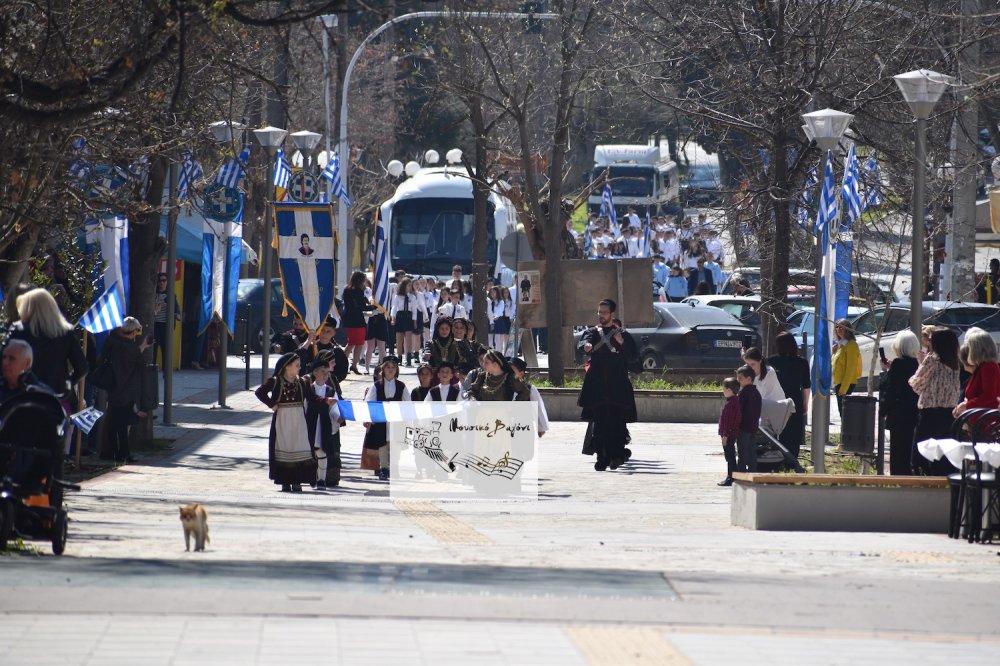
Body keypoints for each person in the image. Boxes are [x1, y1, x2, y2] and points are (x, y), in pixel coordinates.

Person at [9, 288, 88, 456]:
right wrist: (68, 384)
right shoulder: (64, 333)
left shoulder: (18, 332)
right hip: (57, 398)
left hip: (24, 397)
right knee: (53, 449)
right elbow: (82, 367)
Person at [578, 299, 638, 471]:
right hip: (597, 384)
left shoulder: (622, 334)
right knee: (600, 421)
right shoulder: (592, 332)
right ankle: (602, 456)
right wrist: (586, 346)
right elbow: (583, 343)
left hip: (617, 384)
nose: (601, 315)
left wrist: (623, 344)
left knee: (616, 421)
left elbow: (633, 358)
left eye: (604, 312)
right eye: (599, 312)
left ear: (612, 314)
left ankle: (617, 454)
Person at [254, 352, 328, 492]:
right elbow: (260, 392)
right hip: (282, 420)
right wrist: (272, 404)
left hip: (299, 420)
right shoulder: (276, 381)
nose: (299, 368)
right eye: (297, 365)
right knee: (285, 448)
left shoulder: (302, 382)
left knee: (300, 447)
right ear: (287, 366)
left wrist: (326, 401)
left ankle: (297, 481)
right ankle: (285, 482)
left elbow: (312, 398)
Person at [908, 327, 961, 476]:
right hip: (949, 413)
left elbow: (916, 385)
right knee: (944, 456)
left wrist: (920, 365)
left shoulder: (932, 359)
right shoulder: (956, 362)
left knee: (921, 454)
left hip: (929, 413)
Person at [100, 317, 150, 464]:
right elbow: (141, 363)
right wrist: (143, 347)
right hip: (127, 391)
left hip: (113, 388)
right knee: (122, 425)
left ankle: (113, 452)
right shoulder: (131, 348)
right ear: (134, 331)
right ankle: (124, 454)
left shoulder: (113, 343)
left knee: (113, 424)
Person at [878, 330, 920, 476]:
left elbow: (890, 388)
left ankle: (897, 480)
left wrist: (883, 409)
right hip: (914, 412)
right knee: (909, 450)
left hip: (899, 413)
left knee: (897, 452)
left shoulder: (898, 364)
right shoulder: (918, 364)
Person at [362, 356, 409, 481]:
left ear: (397, 370)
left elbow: (408, 404)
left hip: (396, 420)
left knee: (395, 445)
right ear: (383, 369)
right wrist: (367, 418)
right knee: (382, 444)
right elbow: (369, 402)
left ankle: (394, 467)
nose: (390, 369)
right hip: (381, 420)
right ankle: (383, 468)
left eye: (393, 367)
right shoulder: (376, 386)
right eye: (388, 367)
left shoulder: (401, 386)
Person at [767, 333, 810, 459]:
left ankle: (779, 457)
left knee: (778, 430)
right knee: (794, 432)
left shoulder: (772, 361)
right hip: (795, 400)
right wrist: (805, 404)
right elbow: (806, 386)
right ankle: (793, 459)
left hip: (777, 400)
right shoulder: (802, 362)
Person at [306, 360, 344, 489]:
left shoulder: (331, 391)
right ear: (315, 372)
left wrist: (338, 418)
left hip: (324, 425)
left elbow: (334, 410)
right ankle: (311, 477)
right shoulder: (308, 389)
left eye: (327, 373)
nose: (325, 375)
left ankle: (321, 479)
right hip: (310, 424)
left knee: (322, 452)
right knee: (310, 452)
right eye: (323, 372)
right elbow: (304, 407)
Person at [952, 327, 1000, 419]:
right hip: (979, 419)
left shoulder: (988, 366)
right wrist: (964, 405)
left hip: (986, 422)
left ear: (976, 349)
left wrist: (966, 405)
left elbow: (989, 396)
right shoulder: (982, 367)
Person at [296, 315, 348, 383]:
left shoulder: (337, 352)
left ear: (334, 333)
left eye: (328, 331)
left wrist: (327, 380)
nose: (324, 334)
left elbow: (342, 373)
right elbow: (297, 359)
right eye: (322, 330)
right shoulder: (309, 346)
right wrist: (308, 342)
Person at [341, 271, 374, 374]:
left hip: (349, 320)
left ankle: (344, 363)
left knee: (351, 343)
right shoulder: (358, 291)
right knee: (358, 343)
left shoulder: (347, 289)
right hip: (357, 321)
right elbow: (362, 306)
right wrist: (374, 306)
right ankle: (353, 365)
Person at [508, 357, 549, 437]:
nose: (509, 373)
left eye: (512, 370)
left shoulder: (530, 389)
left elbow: (538, 408)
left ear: (521, 373)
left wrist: (541, 427)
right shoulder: (504, 387)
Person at [832, 319, 862, 416]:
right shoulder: (841, 344)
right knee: (842, 412)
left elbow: (850, 368)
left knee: (845, 413)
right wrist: (834, 352)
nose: (839, 329)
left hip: (846, 384)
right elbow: (836, 364)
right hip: (838, 382)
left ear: (847, 329)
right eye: (837, 327)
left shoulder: (851, 345)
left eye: (842, 327)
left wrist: (844, 389)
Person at [735, 365, 762, 473]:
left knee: (742, 452)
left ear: (749, 379)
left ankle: (741, 473)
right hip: (753, 427)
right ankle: (753, 472)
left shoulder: (744, 393)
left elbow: (739, 410)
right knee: (751, 452)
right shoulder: (756, 393)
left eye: (740, 378)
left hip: (743, 427)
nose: (738, 380)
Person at [151, 273, 180, 368]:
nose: (161, 283)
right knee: (153, 348)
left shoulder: (171, 295)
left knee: (165, 349)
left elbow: (177, 310)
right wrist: (155, 310)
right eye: (160, 281)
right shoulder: (153, 295)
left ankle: (165, 371)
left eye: (164, 281)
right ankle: (152, 369)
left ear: (167, 282)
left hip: (166, 326)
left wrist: (176, 314)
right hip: (155, 325)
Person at [717, 376, 742, 486]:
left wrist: (725, 436)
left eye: (724, 388)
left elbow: (729, 422)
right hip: (730, 433)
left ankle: (731, 477)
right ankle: (732, 476)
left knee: (730, 456)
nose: (723, 391)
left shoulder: (731, 404)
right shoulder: (734, 401)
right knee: (730, 456)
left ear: (728, 390)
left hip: (729, 434)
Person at [487, 286, 510, 352]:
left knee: (498, 340)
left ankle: (498, 353)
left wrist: (494, 317)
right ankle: (490, 353)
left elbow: (499, 311)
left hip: (497, 320)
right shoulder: (488, 301)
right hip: (489, 320)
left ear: (497, 292)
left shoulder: (501, 301)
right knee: (489, 338)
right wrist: (490, 318)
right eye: (491, 292)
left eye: (494, 291)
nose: (492, 293)